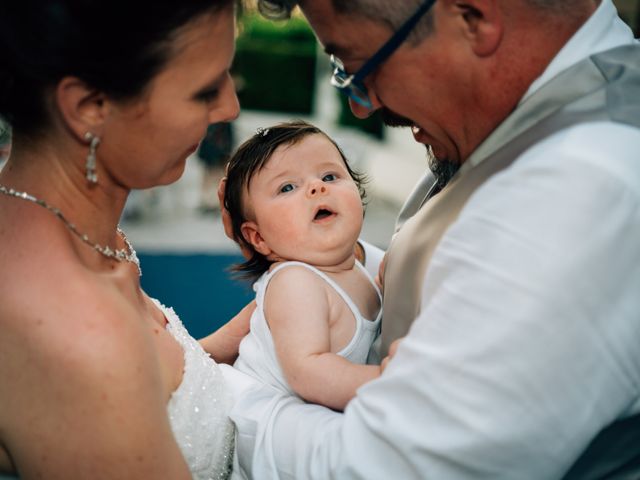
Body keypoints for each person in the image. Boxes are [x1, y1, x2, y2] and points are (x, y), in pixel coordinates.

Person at [227, 0, 640, 478]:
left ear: (473, 17)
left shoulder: (576, 184)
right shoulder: (532, 124)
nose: (364, 103)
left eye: (358, 65)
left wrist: (225, 400)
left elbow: (393, 467)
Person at [0, 1, 248, 478]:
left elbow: (146, 391)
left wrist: (233, 340)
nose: (230, 106)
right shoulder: (73, 325)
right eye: (204, 91)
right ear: (90, 107)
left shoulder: (73, 234)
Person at [204, 120, 382, 412]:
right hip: (262, 436)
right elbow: (309, 373)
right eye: (287, 187)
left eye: (329, 175)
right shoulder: (295, 282)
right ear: (259, 238)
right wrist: (387, 382)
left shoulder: (363, 272)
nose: (316, 187)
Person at [197, 122, 235, 213]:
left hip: (219, 155)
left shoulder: (222, 123)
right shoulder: (215, 122)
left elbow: (229, 139)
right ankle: (209, 202)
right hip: (213, 155)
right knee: (210, 179)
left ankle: (214, 202)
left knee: (217, 179)